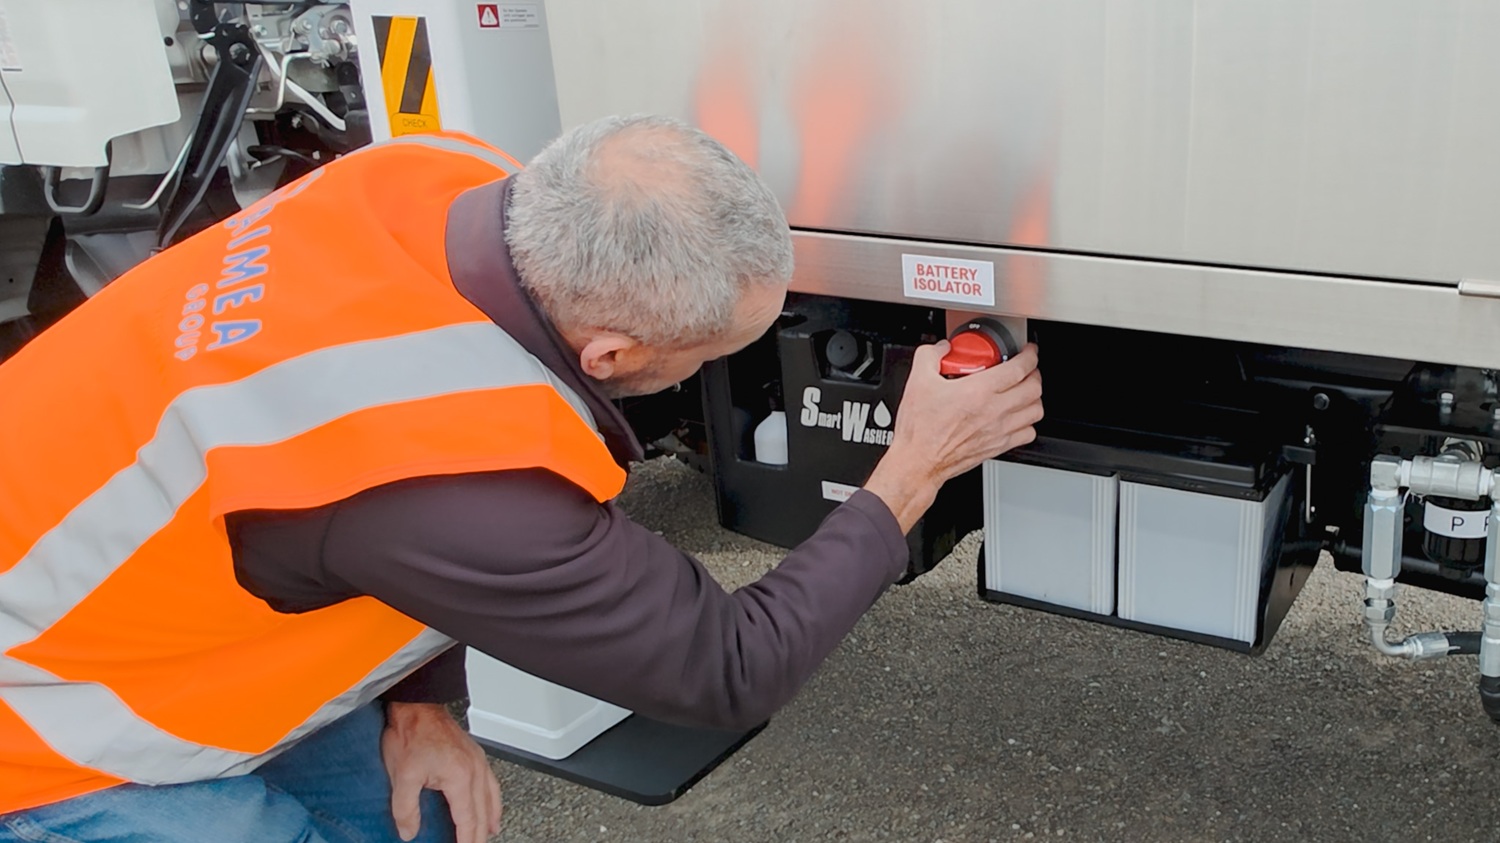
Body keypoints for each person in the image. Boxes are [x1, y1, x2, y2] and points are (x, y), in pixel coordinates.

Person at [0, 115, 1042, 843]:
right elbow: (731, 669)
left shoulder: (430, 175)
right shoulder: (457, 483)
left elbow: (343, 504)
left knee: (418, 822)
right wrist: (917, 466)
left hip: (112, 600)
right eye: (712, 352)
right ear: (612, 357)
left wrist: (421, 698)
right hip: (47, 725)